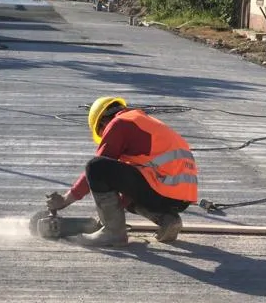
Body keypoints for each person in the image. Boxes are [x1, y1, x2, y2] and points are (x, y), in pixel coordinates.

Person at [47, 97, 199, 247]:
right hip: (180, 199)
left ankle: (113, 233)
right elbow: (131, 184)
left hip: (162, 191)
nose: (105, 136)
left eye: (102, 133)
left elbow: (97, 167)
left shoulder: (120, 123)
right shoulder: (143, 122)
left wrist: (65, 200)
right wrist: (109, 216)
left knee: (97, 167)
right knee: (121, 185)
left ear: (103, 122)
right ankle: (167, 219)